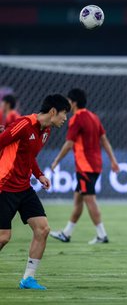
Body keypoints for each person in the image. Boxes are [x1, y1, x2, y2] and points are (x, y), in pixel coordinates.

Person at [0, 94, 70, 290]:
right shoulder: (23, 124)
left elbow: (29, 156)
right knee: (3, 237)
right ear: (53, 111)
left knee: (42, 229)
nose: (65, 119)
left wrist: (39, 175)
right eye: (64, 114)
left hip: (23, 188)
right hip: (4, 187)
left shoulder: (45, 131)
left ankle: (28, 279)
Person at [49, 89, 119, 244]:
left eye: (68, 100)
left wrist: (56, 161)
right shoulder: (94, 117)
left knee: (90, 200)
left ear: (73, 102)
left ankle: (102, 235)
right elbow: (104, 140)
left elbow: (69, 144)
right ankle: (66, 233)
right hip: (96, 165)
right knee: (78, 200)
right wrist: (113, 160)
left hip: (85, 167)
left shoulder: (76, 119)